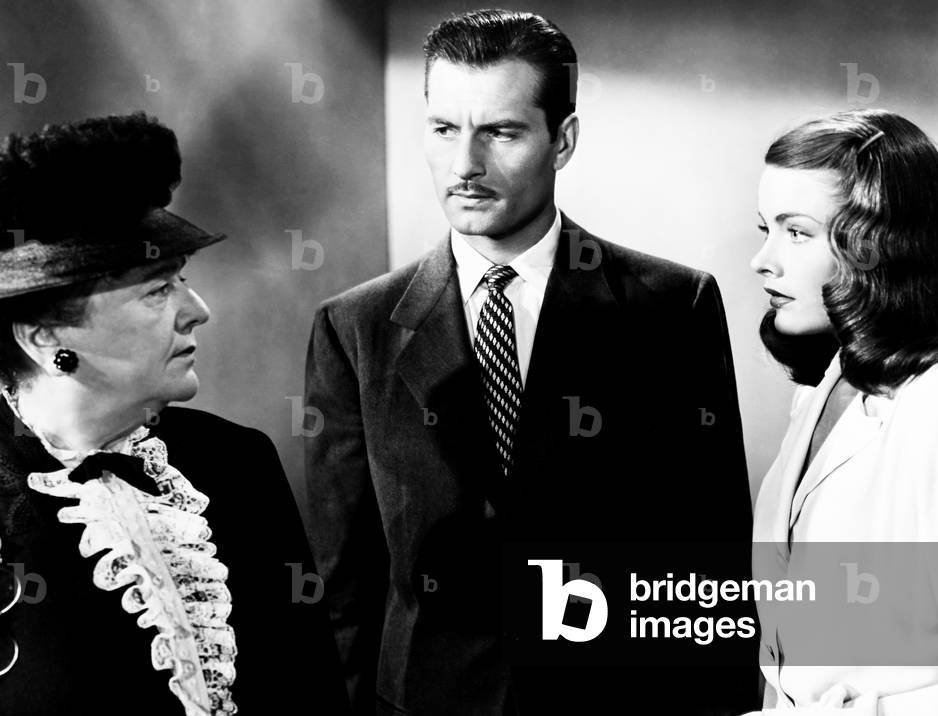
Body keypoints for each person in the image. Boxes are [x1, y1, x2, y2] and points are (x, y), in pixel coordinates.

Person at [306, 8, 755, 715]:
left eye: (501, 132)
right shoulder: (354, 327)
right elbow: (344, 581)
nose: (465, 166)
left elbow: (710, 559)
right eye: (445, 129)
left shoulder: (671, 308)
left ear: (562, 140)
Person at [0, 113, 348, 715]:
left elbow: (312, 690)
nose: (197, 310)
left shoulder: (238, 462)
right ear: (43, 337)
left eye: (181, 281)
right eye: (157, 291)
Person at [749, 108, 938, 714]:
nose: (762, 261)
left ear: (879, 245)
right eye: (764, 229)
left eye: (796, 232)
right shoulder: (822, 391)